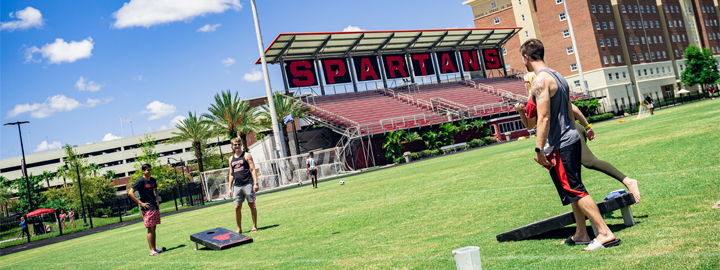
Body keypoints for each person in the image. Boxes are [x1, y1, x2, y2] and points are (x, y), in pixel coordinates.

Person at [521, 38, 620, 251]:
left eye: (523, 59)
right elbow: (569, 112)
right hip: (571, 138)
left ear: (527, 57)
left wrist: (539, 150)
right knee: (572, 191)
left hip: (561, 144)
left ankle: (604, 233)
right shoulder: (559, 76)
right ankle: (581, 233)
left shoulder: (540, 81)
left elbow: (544, 118)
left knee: (575, 189)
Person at [516, 73, 641, 204]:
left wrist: (520, 111)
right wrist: (587, 126)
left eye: (525, 81)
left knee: (588, 161)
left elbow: (529, 125)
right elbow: (573, 108)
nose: (524, 84)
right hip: (574, 128)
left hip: (566, 134)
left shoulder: (532, 101)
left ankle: (627, 181)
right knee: (573, 175)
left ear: (530, 83)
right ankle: (583, 213)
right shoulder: (550, 91)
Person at [128, 163, 165, 256]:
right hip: (147, 208)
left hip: (154, 207)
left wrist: (157, 199)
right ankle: (151, 251)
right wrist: (140, 203)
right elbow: (130, 192)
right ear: (143, 171)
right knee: (150, 228)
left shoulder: (153, 180)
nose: (150, 171)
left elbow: (155, 189)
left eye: (150, 169)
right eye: (148, 170)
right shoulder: (141, 181)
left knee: (154, 228)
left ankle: (155, 249)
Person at [227, 137, 259, 234]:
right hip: (237, 186)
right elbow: (231, 174)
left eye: (238, 144)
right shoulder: (231, 159)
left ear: (241, 144)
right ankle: (239, 229)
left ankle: (254, 226)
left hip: (248, 184)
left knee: (252, 205)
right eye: (235, 144)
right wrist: (229, 188)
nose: (237, 146)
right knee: (237, 207)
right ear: (232, 146)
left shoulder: (247, 155)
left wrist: (256, 183)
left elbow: (253, 170)